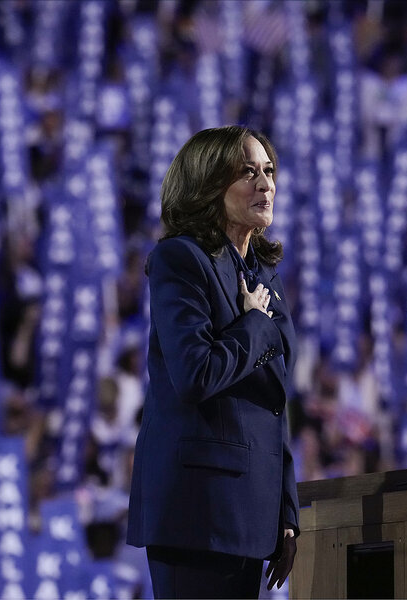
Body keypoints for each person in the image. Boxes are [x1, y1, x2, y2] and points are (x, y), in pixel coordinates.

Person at [126, 126, 299, 598]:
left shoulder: (265, 278)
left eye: (268, 171)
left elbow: (274, 405)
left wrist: (286, 513)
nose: (265, 184)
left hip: (253, 515)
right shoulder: (180, 260)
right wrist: (254, 325)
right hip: (198, 512)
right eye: (248, 172)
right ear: (207, 185)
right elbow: (195, 374)